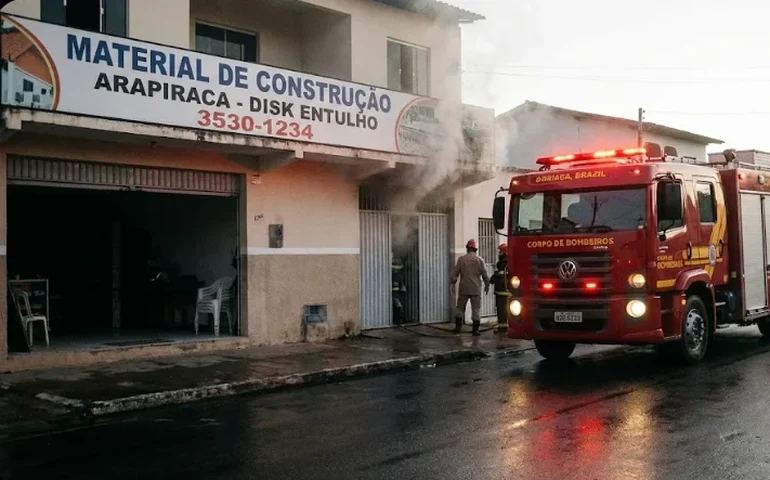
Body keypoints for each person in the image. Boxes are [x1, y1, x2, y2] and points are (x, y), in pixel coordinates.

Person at [451, 239, 490, 336]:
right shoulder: (480, 260)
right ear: (475, 249)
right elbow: (485, 275)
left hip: (464, 288)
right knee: (476, 309)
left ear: (467, 248)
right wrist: (487, 285)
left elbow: (455, 273)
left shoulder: (461, 259)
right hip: (476, 289)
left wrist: (452, 284)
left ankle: (457, 329)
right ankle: (475, 330)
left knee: (460, 308)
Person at [490, 243, 510, 332]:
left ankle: (502, 328)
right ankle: (506, 327)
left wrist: (494, 277)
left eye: (500, 252)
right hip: (507, 292)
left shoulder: (504, 263)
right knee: (507, 311)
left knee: (502, 311)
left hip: (502, 293)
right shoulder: (508, 262)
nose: (499, 254)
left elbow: (502, 275)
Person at [392, 256, 407, 325]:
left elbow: (402, 285)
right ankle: (399, 321)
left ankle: (399, 321)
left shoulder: (397, 275)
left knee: (398, 306)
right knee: (398, 307)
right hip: (395, 293)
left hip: (396, 293)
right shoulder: (396, 275)